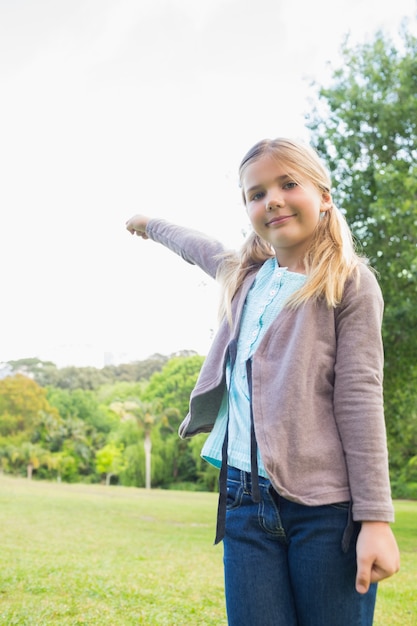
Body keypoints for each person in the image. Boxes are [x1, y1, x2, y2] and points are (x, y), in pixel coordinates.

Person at [125, 137, 400, 626]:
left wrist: (375, 520)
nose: (271, 199)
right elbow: (198, 247)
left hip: (325, 511)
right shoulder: (244, 277)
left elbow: (359, 398)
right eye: (256, 193)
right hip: (242, 500)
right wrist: (149, 225)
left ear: (324, 196)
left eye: (288, 184)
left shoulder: (349, 283)